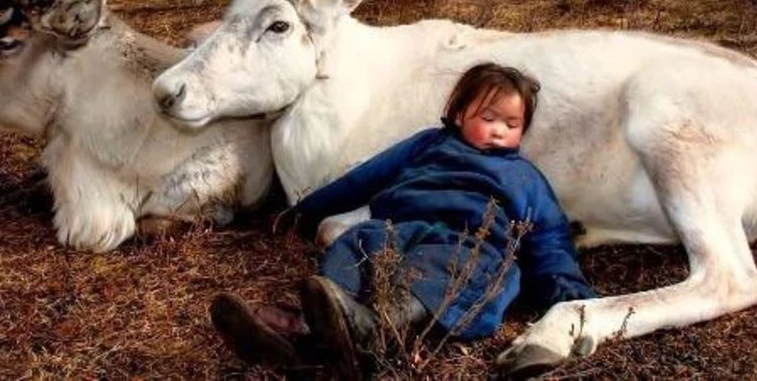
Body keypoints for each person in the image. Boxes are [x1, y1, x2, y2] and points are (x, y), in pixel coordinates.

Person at [210, 63, 595, 377]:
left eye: (510, 125)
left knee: (452, 266)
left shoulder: (525, 177)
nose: (498, 130)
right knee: (356, 242)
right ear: (459, 113)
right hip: (398, 229)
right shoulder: (428, 144)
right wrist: (304, 213)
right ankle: (315, 327)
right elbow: (365, 179)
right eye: (487, 117)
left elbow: (550, 238)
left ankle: (374, 328)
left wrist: (571, 298)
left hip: (467, 245)